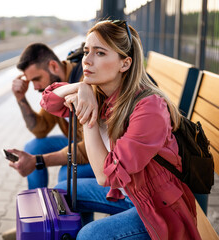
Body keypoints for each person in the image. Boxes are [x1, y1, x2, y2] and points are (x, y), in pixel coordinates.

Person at [40, 20, 201, 239]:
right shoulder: (103, 93)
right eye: (87, 51)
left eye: (100, 53)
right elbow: (49, 101)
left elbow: (106, 177)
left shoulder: (150, 108)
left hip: (158, 208)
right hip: (130, 193)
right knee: (63, 190)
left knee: (91, 235)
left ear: (124, 64)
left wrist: (88, 115)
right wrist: (81, 87)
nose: (87, 60)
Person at [8, 43, 95, 189]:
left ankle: (77, 212)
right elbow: (40, 129)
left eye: (36, 79)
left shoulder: (84, 83)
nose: (35, 87)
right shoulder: (56, 89)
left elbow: (89, 147)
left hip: (99, 148)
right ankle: (38, 203)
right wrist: (20, 98)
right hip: (77, 140)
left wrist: (38, 161)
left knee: (66, 175)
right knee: (32, 147)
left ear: (53, 66)